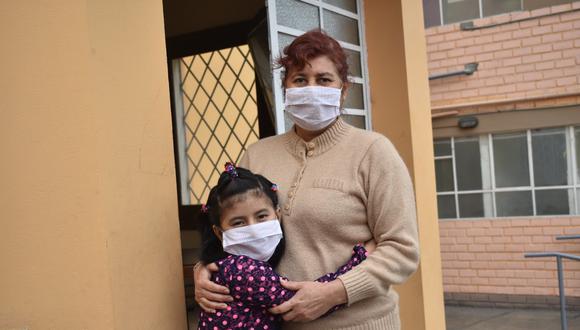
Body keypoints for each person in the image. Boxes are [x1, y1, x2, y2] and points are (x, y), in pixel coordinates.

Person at [194, 29, 419, 330]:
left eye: (324, 79)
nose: (311, 88)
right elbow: (228, 229)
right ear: (286, 87)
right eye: (300, 79)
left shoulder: (373, 152)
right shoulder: (257, 155)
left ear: (343, 89)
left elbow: (401, 248)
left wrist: (334, 293)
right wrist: (204, 272)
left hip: (358, 324)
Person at [197, 163, 369, 330]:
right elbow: (301, 302)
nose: (253, 229)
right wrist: (359, 259)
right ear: (219, 232)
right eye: (238, 222)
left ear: (278, 214)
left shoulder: (224, 266)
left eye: (261, 216)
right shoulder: (243, 270)